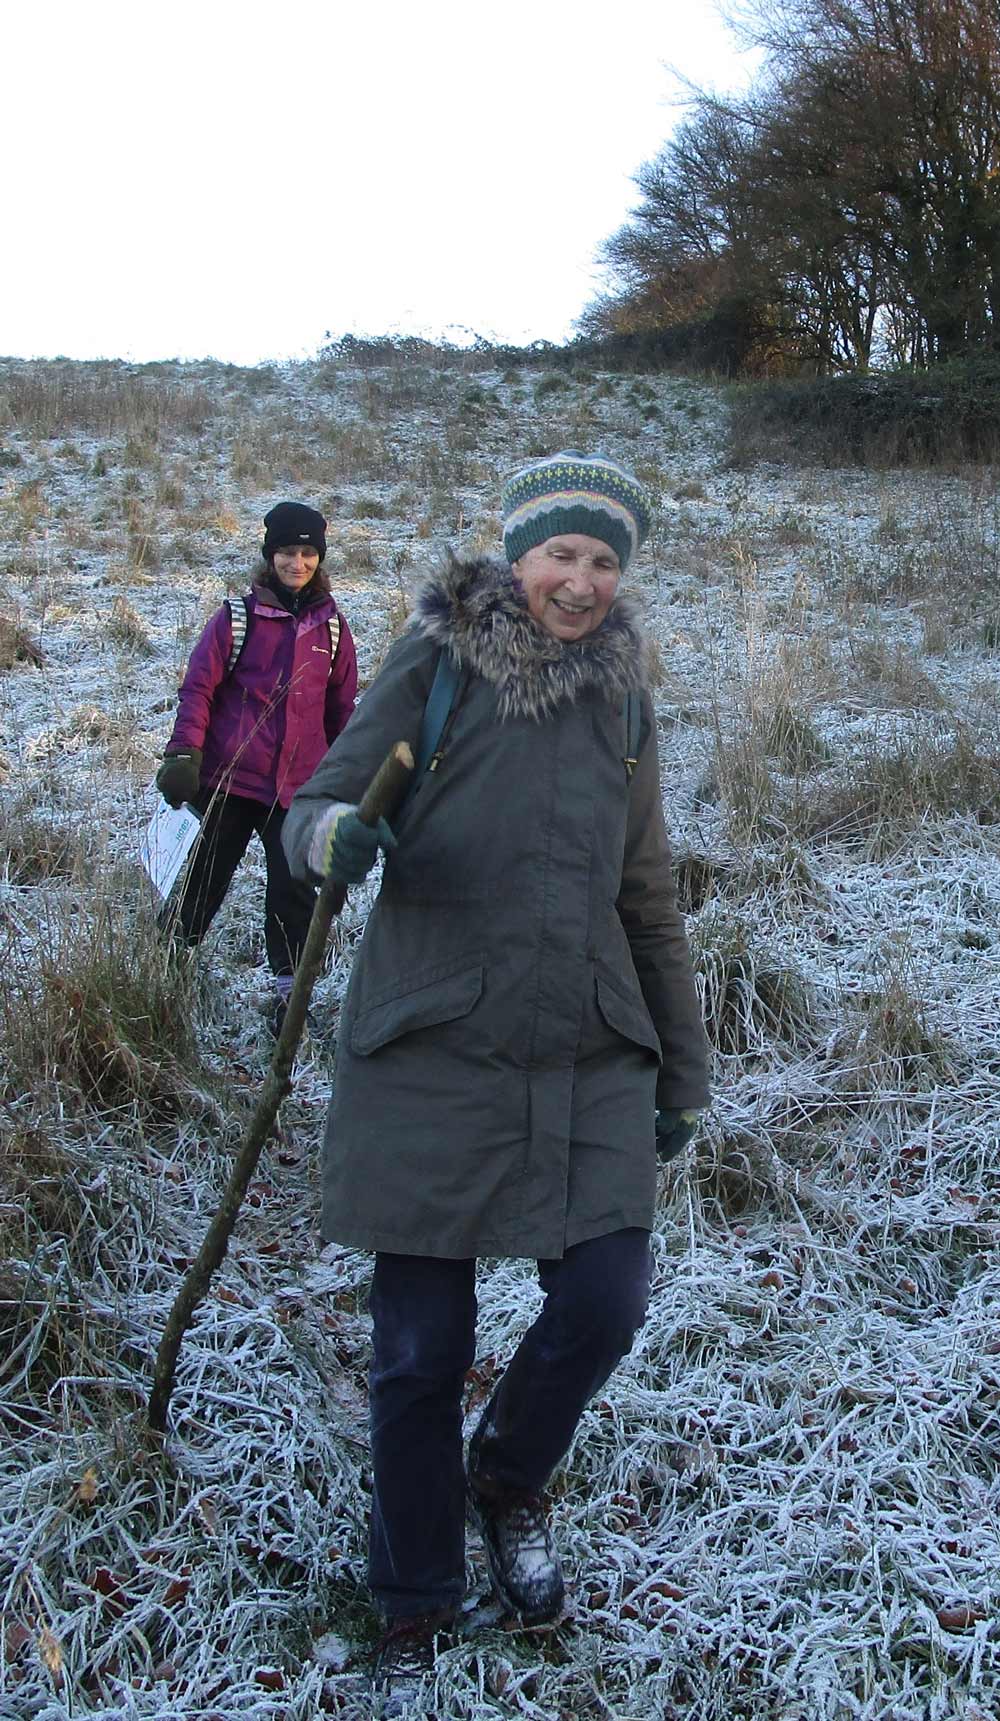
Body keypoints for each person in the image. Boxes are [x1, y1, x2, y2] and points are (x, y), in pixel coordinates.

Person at [281, 452, 709, 1710]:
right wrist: (332, 838)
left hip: (582, 1047)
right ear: (515, 553)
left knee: (608, 1295)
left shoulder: (624, 703)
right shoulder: (438, 664)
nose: (579, 582)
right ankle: (413, 1595)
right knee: (420, 1347)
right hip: (431, 1047)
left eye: (602, 560)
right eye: (559, 554)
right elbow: (314, 804)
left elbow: (647, 898)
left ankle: (508, 1473)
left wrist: (681, 1066)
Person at [156, 501, 358, 1035]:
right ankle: (163, 971)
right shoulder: (237, 618)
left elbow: (341, 711)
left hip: (296, 790)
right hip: (229, 779)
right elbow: (199, 687)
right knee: (202, 880)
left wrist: (346, 778)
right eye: (288, 553)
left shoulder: (332, 629)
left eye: (308, 553)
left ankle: (289, 1000)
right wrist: (184, 754)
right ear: (270, 557)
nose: (298, 563)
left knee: (294, 895)